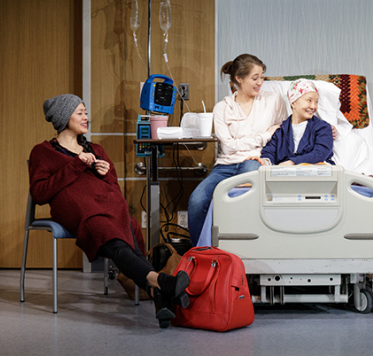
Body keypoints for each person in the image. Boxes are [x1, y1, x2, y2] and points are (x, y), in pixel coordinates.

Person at [29, 94, 189, 328]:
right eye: (80, 113)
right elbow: (40, 193)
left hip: (107, 207)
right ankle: (159, 281)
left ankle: (158, 292)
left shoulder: (96, 149)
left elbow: (113, 190)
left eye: (85, 112)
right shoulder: (42, 152)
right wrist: (76, 165)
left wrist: (107, 173)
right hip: (77, 213)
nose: (86, 117)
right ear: (64, 117)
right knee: (111, 231)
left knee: (129, 226)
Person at [187, 54, 287, 245]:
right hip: (225, 165)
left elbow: (282, 134)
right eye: (255, 78)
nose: (260, 83)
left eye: (262, 77)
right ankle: (202, 256)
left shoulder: (273, 101)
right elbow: (228, 146)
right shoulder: (222, 108)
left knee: (239, 198)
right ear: (239, 79)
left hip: (255, 161)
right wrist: (264, 136)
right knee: (197, 201)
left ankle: (240, 252)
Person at [247, 79, 334, 166]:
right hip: (287, 176)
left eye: (316, 102)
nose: (313, 106)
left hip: (317, 173)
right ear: (293, 103)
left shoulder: (323, 128)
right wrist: (264, 161)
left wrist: (293, 162)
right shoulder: (280, 131)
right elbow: (269, 152)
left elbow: (320, 153)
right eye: (309, 100)